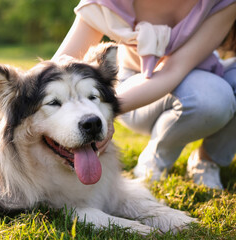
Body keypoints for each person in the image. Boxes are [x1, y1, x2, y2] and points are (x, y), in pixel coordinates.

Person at [53, 0, 236, 189]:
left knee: (214, 93)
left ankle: (208, 159)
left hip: (200, 75)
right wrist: (102, 110)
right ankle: (157, 158)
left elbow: (173, 70)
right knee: (212, 98)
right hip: (132, 90)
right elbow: (59, 66)